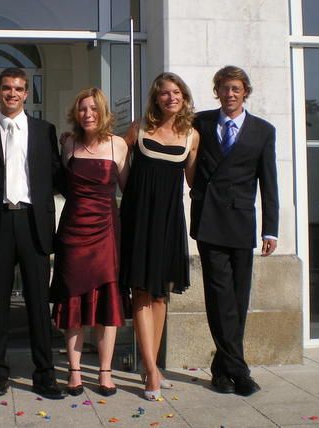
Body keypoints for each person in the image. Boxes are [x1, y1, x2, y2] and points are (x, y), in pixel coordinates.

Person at [0, 67, 66, 399]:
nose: (12, 93)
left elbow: (57, 175)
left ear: (26, 94)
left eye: (18, 88)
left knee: (38, 302)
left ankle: (45, 374)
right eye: (7, 88)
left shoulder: (44, 130)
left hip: (33, 222)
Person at [190, 65, 279, 396]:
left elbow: (269, 182)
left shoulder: (263, 131)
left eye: (236, 88)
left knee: (238, 300)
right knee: (219, 297)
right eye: (224, 88)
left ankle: (221, 370)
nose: (230, 94)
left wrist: (271, 230)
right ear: (217, 91)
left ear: (245, 92)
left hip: (242, 222)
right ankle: (240, 372)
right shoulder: (200, 122)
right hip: (209, 221)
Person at [119, 73, 199, 401]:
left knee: (161, 294)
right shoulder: (138, 128)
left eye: (176, 92)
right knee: (140, 291)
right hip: (138, 218)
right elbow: (114, 156)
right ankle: (151, 370)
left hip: (168, 221)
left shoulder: (192, 136)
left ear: (184, 96)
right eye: (164, 93)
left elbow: (193, 182)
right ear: (156, 98)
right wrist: (129, 191)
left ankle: (150, 365)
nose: (171, 97)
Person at [50, 88, 129, 397]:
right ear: (76, 113)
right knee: (72, 302)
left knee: (107, 301)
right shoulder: (68, 143)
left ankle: (105, 372)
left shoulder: (118, 145)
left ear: (103, 112)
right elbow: (60, 185)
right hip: (72, 233)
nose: (88, 114)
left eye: (94, 108)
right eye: (83, 109)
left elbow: (130, 190)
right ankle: (75, 372)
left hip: (106, 233)